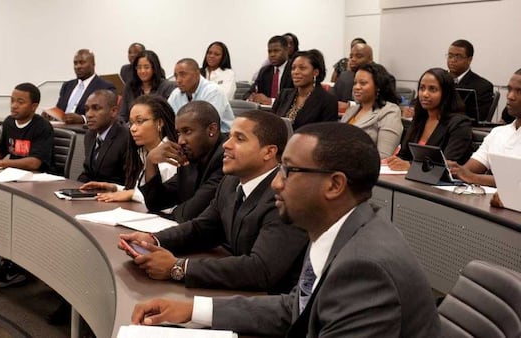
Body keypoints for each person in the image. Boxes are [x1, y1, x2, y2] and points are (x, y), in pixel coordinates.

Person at [130, 122, 441, 337]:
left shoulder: (365, 268)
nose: (276, 183)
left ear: (334, 185)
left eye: (289, 171)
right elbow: (297, 307)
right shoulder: (345, 229)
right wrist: (191, 309)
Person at [119, 111, 308, 293]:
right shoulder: (231, 182)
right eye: (230, 136)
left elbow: (261, 269)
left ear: (269, 152)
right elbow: (203, 228)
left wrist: (180, 267)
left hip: (276, 309)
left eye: (239, 139)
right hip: (241, 294)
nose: (226, 144)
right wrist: (154, 239)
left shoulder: (286, 197)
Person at [0, 83, 54, 287]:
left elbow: (35, 162)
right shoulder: (9, 122)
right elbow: (0, 151)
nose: (14, 106)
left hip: (36, 184)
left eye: (20, 101)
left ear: (34, 106)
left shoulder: (42, 126)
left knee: (9, 215)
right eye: (12, 100)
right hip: (12, 179)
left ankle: (15, 270)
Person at [80, 95, 177, 203]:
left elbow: (166, 201)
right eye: (131, 123)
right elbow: (142, 191)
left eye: (139, 121)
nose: (133, 129)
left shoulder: (171, 156)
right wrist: (115, 188)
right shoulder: (142, 152)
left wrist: (131, 194)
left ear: (159, 123)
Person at [140, 101, 226, 222]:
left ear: (211, 129)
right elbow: (156, 202)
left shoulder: (226, 158)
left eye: (187, 131)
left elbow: (188, 215)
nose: (180, 141)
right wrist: (150, 162)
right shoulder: (191, 155)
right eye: (179, 133)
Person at [387, 68, 473, 171]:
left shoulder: (460, 124)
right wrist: (394, 162)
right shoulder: (420, 119)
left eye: (432, 89)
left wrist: (411, 166)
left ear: (446, 93)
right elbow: (404, 155)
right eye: (422, 88)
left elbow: (448, 164)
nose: (425, 94)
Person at [448, 68, 521, 187]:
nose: (510, 96)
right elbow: (468, 171)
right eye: (509, 90)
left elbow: (516, 182)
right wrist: (454, 169)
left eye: (519, 91)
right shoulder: (498, 133)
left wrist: (473, 178)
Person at [341, 63, 403, 159]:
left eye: (363, 83)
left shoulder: (389, 111)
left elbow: (384, 155)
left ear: (377, 86)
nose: (356, 87)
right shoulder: (352, 110)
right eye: (355, 83)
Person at [272, 49, 338, 130]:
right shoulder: (284, 94)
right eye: (293, 68)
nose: (295, 72)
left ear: (315, 72)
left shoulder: (327, 101)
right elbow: (271, 123)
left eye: (302, 68)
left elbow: (327, 134)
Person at [77, 89, 129, 185]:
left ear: (113, 111)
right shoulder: (90, 135)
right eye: (87, 109)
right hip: (93, 194)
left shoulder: (126, 138)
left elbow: (127, 181)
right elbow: (88, 173)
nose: (89, 115)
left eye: (96, 108)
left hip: (114, 195)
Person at [167, 58, 234, 133]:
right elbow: (166, 119)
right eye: (176, 76)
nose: (178, 80)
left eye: (183, 75)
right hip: (186, 136)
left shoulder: (214, 92)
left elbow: (207, 125)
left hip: (218, 137)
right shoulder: (176, 94)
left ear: (197, 74)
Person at [52, 49, 116, 124]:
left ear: (93, 64)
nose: (78, 66)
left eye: (82, 63)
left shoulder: (105, 87)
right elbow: (60, 109)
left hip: (85, 130)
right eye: (75, 63)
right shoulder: (67, 85)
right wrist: (52, 115)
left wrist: (83, 119)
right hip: (62, 127)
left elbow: (108, 115)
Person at [119, 50, 176, 123]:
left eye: (146, 67)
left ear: (154, 68)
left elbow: (168, 116)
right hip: (132, 128)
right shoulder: (130, 87)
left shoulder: (167, 87)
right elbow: (123, 115)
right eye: (139, 67)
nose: (142, 71)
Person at [446, 39, 494, 122]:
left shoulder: (483, 86)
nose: (453, 60)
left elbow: (479, 117)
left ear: (469, 60)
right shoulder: (438, 79)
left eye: (458, 57)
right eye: (450, 56)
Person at [244, 35, 294, 105]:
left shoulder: (294, 69)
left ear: (287, 50)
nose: (272, 55)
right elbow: (248, 93)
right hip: (265, 112)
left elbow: (295, 97)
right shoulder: (264, 71)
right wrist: (252, 97)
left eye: (276, 51)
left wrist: (271, 101)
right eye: (269, 51)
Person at [332, 43, 374, 113]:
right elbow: (333, 101)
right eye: (351, 56)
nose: (353, 59)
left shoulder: (381, 78)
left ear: (370, 59)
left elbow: (382, 106)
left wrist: (351, 106)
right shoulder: (344, 77)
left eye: (359, 56)